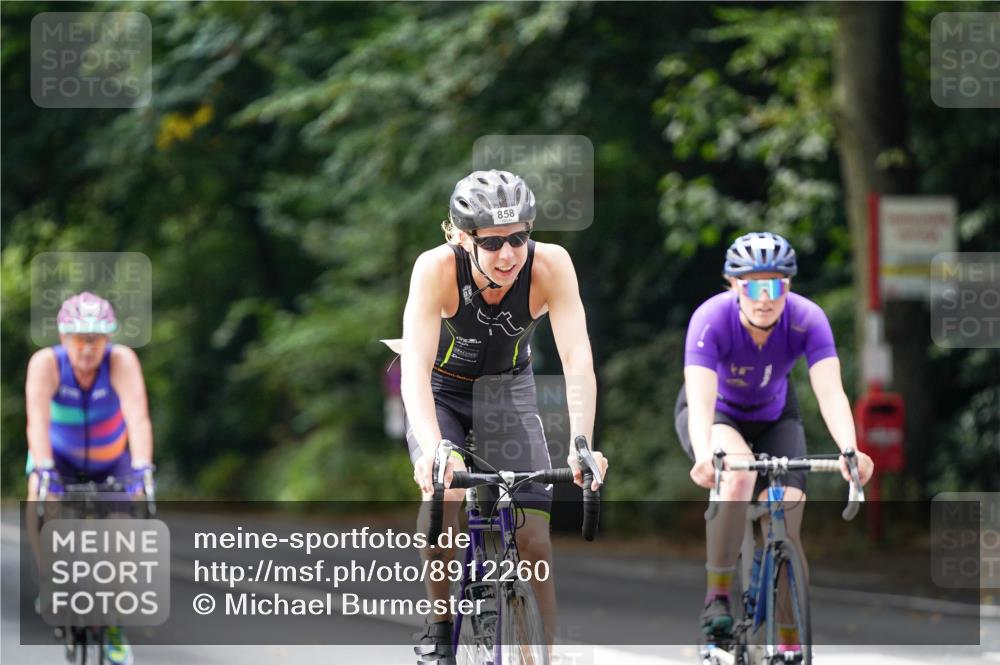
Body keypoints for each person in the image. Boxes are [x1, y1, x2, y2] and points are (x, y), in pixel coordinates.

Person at [400, 169, 608, 664]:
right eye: (492, 243)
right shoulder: (436, 270)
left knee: (533, 537)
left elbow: (577, 359)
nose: (509, 254)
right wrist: (433, 450)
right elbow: (413, 373)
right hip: (442, 391)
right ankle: (441, 618)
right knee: (445, 490)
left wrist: (582, 442)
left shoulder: (550, 266)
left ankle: (544, 655)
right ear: (462, 237)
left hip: (507, 392)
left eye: (518, 237)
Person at [673, 232, 874, 654]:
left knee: (786, 519)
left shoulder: (807, 318)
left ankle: (787, 642)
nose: (764, 298)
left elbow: (830, 392)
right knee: (738, 479)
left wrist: (849, 448)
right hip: (718, 413)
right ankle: (718, 598)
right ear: (733, 286)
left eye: (775, 286)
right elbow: (700, 396)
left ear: (789, 286)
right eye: (752, 286)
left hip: (777, 415)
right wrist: (705, 452)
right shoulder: (711, 318)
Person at [26, 291, 155, 665]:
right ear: (64, 338)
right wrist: (45, 467)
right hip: (60, 460)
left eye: (96, 339)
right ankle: (51, 578)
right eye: (80, 338)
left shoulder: (121, 362)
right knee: (39, 493)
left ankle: (114, 626)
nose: (88, 348)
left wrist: (144, 468)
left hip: (111, 461)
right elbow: (37, 422)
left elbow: (138, 418)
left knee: (124, 528)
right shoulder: (46, 364)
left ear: (108, 339)